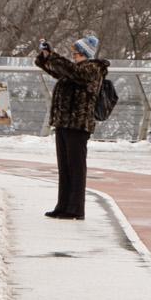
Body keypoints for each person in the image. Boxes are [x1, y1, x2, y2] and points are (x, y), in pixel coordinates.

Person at [33, 34, 109, 219]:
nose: (73, 55)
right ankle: (63, 205)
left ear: (84, 53)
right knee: (65, 167)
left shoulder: (93, 69)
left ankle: (75, 209)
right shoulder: (75, 69)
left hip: (78, 124)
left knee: (75, 168)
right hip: (64, 123)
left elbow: (72, 71)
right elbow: (58, 70)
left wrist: (54, 55)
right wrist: (45, 57)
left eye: (76, 52)